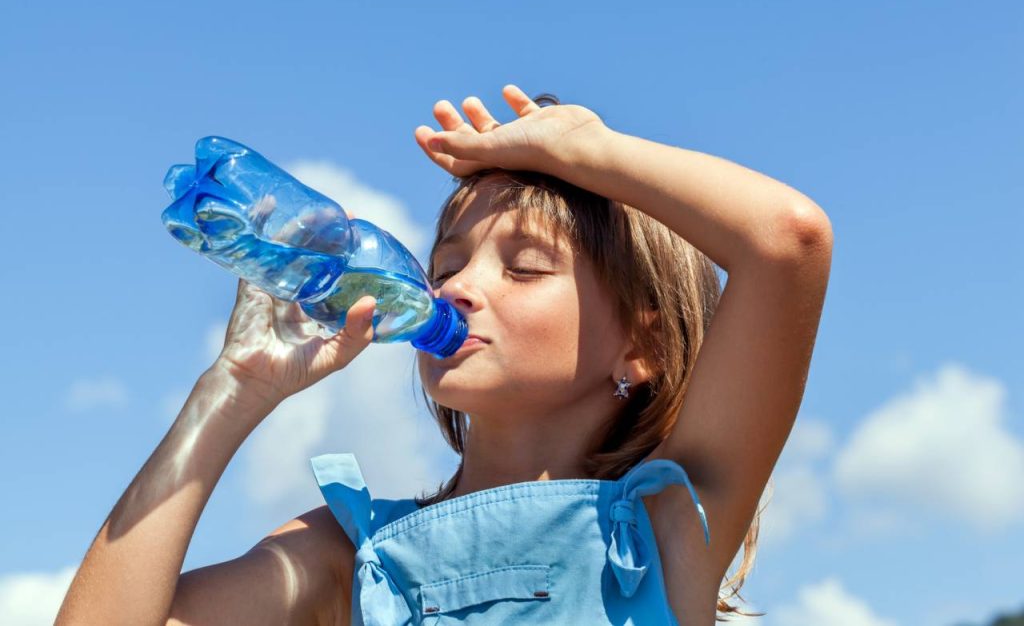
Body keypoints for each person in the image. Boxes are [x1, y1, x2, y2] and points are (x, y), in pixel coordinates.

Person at [56, 85, 833, 625]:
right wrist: (231, 393)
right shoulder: (350, 555)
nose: (459, 288)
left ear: (643, 346)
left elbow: (787, 242)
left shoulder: (668, 527)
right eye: (446, 264)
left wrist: (587, 151)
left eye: (523, 267)